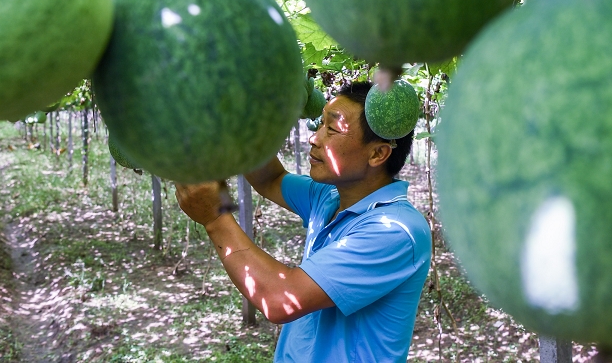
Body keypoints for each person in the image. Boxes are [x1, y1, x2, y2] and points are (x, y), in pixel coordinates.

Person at [175, 81, 431, 362]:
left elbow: (281, 299)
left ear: (377, 154)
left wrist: (215, 219)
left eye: (331, 129)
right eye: (319, 125)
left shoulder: (396, 231)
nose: (314, 138)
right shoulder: (330, 196)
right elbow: (271, 179)